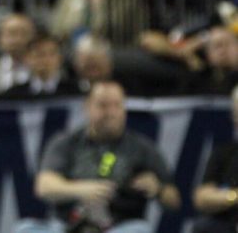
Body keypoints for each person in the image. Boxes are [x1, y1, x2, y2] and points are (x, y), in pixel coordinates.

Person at [13, 81, 180, 233]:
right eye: (103, 106)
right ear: (87, 107)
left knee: (141, 230)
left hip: (119, 226)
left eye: (116, 106)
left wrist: (158, 189)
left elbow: (174, 200)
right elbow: (44, 186)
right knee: (24, 229)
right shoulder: (66, 142)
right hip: (67, 225)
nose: (110, 113)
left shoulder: (142, 148)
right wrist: (82, 190)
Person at [192, 85, 238, 233]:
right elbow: (201, 197)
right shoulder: (224, 153)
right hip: (228, 222)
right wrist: (233, 196)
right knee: (202, 226)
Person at [5, 33, 80, 97]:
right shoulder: (14, 95)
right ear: (27, 59)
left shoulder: (75, 93)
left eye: (52, 54)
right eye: (40, 54)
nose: (46, 60)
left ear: (60, 58)